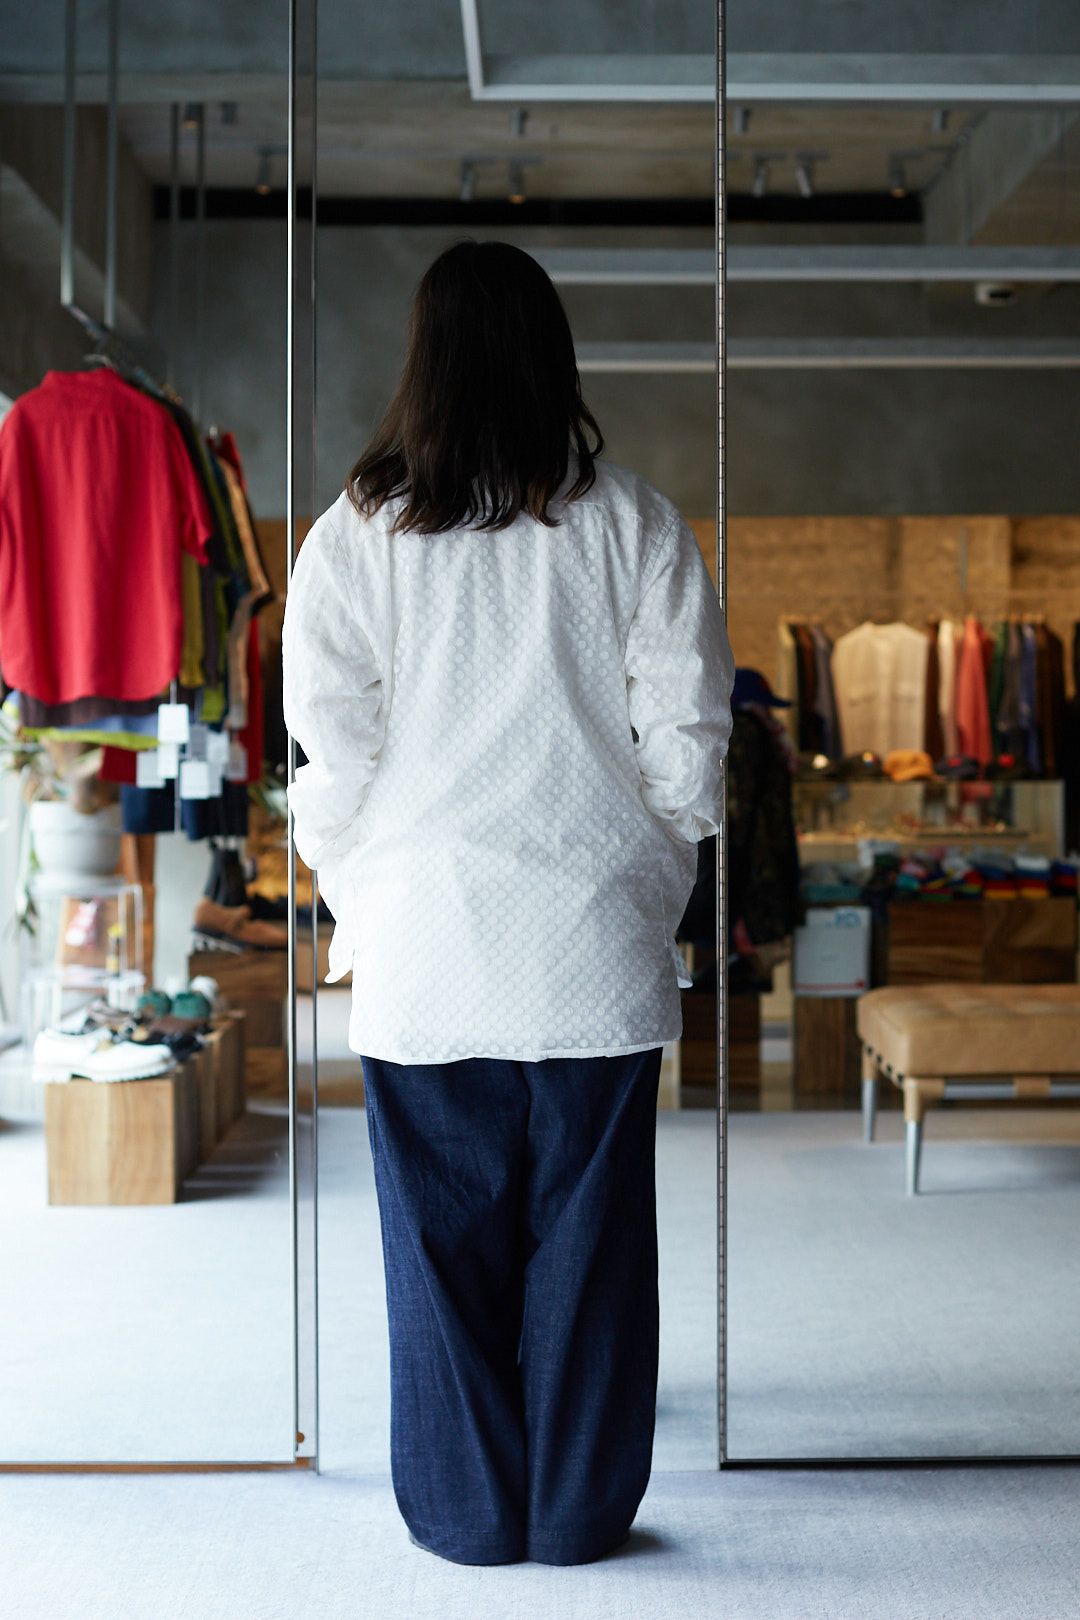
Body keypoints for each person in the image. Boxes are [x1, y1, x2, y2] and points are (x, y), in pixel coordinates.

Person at [281, 240, 734, 1567]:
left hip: (426, 945)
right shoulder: (637, 523)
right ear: (554, 355)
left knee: (439, 1250)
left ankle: (467, 1515)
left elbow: (329, 753)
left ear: (421, 359)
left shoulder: (353, 536)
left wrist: (357, 887)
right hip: (595, 944)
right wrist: (649, 872)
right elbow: (691, 741)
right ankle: (582, 1512)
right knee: (592, 1251)